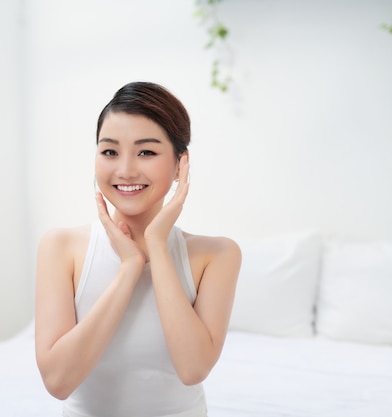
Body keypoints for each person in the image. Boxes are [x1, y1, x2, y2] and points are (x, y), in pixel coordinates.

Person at [34, 81, 241, 417]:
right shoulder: (61, 248)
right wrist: (129, 268)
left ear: (179, 164)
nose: (125, 170)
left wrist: (157, 247)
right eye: (110, 151)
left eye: (146, 151)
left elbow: (193, 369)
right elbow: (58, 381)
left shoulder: (217, 256)